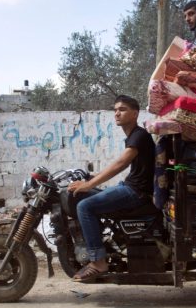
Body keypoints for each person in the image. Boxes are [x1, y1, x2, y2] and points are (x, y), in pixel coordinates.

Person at [66, 95, 155, 282]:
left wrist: (90, 184)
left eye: (122, 109)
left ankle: (98, 261)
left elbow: (120, 164)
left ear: (135, 113)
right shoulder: (133, 136)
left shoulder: (140, 135)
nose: (117, 113)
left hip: (136, 192)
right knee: (85, 197)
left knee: (85, 206)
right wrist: (91, 179)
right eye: (115, 110)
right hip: (131, 187)